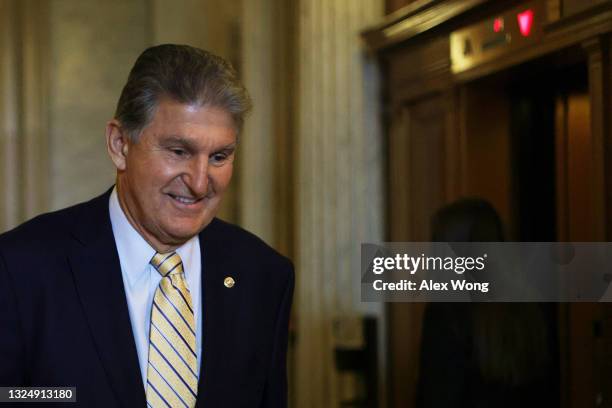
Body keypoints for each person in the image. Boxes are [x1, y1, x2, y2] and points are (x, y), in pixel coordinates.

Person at [0, 44, 294, 408]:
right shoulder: (20, 268)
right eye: (179, 151)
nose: (201, 183)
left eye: (219, 157)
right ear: (120, 144)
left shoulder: (263, 276)